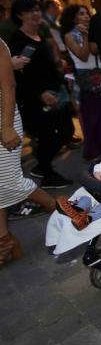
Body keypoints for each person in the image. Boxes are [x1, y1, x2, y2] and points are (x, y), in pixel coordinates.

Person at [0, 38, 56, 267]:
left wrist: (5, 126)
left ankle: (60, 208)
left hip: (2, 119)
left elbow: (8, 86)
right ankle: (4, 240)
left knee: (9, 180)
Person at [8, 0, 75, 189]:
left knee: (66, 130)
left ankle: (42, 164)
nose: (36, 14)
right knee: (48, 134)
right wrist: (40, 93)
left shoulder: (39, 35)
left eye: (37, 10)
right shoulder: (18, 39)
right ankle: (47, 175)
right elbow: (22, 74)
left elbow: (42, 65)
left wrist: (58, 65)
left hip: (56, 92)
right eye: (30, 11)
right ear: (20, 15)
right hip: (37, 98)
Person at [61, 4, 101, 159]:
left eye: (87, 13)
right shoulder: (69, 35)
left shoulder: (94, 31)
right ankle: (95, 149)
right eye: (81, 14)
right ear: (73, 18)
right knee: (93, 113)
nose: (86, 16)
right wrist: (86, 36)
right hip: (86, 76)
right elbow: (83, 55)